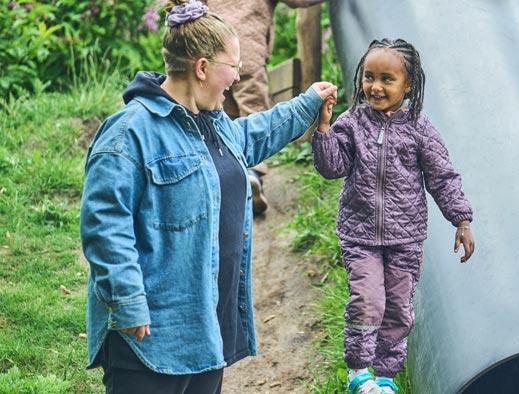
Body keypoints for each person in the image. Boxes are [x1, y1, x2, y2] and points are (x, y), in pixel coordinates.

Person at [79, 0, 337, 392]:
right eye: (232, 68)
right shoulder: (128, 134)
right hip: (153, 338)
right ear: (202, 68)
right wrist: (128, 301)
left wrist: (308, 104)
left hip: (207, 329)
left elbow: (254, 135)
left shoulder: (211, 124)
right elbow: (104, 226)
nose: (236, 79)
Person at [312, 38, 475, 394]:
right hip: (360, 234)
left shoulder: (419, 128)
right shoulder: (351, 122)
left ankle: (385, 379)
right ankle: (358, 372)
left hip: (405, 238)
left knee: (398, 309)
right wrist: (323, 130)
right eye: (369, 77)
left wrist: (461, 219)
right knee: (367, 300)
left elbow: (442, 177)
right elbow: (332, 167)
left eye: (387, 79)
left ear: (408, 85)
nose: (375, 86)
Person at [207, 0, 324, 215]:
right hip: (246, 53)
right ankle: (253, 176)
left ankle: (227, 179)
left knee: (223, 118)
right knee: (254, 111)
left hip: (213, 52)